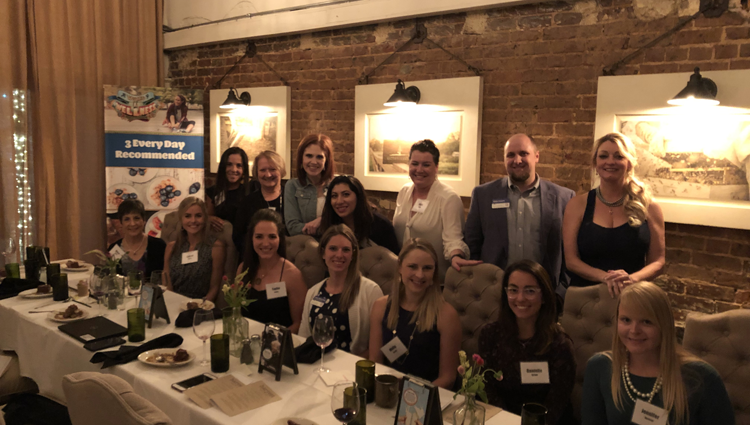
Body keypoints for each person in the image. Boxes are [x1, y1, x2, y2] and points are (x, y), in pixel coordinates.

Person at [581, 282, 734, 425]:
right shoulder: (600, 367)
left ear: (664, 325)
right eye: (626, 320)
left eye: (646, 321)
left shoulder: (702, 376)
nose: (634, 330)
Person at [458, 134, 575, 299]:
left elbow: (569, 253)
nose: (517, 160)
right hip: (494, 293)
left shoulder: (564, 197)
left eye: (523, 153)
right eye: (510, 155)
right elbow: (472, 245)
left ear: (536, 156)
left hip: (545, 295)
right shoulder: (483, 195)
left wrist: (560, 293)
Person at [563, 132, 666, 297]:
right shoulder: (577, 205)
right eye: (603, 156)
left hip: (631, 297)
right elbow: (571, 261)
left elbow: (658, 262)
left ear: (629, 163)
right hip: (584, 300)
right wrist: (606, 277)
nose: (610, 161)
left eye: (619, 156)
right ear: (595, 164)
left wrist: (631, 280)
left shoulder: (649, 207)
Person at [478, 260, 577, 425]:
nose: (520, 298)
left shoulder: (560, 345)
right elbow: (488, 390)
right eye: (513, 290)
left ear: (544, 296)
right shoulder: (490, 335)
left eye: (530, 291)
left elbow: (556, 404)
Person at [368, 238, 461, 389]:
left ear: (434, 272)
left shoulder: (446, 315)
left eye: (427, 268)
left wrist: (410, 398)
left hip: (426, 398)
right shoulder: (380, 307)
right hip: (387, 393)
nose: (419, 275)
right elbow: (375, 362)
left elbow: (448, 378)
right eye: (412, 266)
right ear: (399, 267)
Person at [298, 224, 383, 355]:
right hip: (316, 365)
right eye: (333, 248)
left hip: (351, 369)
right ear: (322, 253)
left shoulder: (371, 291)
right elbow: (303, 337)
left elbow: (378, 346)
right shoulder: (313, 292)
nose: (339, 255)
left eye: (346, 250)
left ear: (353, 254)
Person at [392, 139, 469, 282]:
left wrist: (456, 256)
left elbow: (453, 239)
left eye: (426, 165)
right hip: (405, 279)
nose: (419, 170)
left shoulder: (448, 198)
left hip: (435, 282)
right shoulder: (404, 191)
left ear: (436, 167)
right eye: (414, 164)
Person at [236, 210, 306, 333]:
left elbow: (299, 323)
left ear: (280, 239)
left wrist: (273, 342)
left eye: (272, 236)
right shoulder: (243, 269)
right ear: (251, 239)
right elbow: (236, 313)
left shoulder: (292, 275)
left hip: (278, 345)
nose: (265, 243)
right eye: (259, 237)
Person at [164, 197, 226, 301]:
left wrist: (200, 307)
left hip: (201, 306)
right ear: (181, 219)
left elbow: (214, 287)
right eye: (188, 216)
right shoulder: (171, 247)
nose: (193, 221)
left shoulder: (216, 247)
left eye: (198, 216)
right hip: (173, 303)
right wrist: (171, 304)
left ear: (205, 218)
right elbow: (166, 281)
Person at [320, 175, 400, 255]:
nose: (339, 201)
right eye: (334, 196)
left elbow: (394, 262)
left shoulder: (380, 225)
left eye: (346, 194)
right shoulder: (329, 223)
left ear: (358, 196)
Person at [233, 150, 287, 256]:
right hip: (255, 258)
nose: (268, 174)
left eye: (273, 169)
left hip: (287, 257)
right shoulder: (247, 202)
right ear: (256, 173)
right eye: (263, 170)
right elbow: (238, 237)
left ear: (281, 171)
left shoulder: (291, 198)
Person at [285, 134, 336, 236]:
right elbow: (293, 227)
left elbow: (345, 222)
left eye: (319, 157)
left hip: (334, 246)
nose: (313, 162)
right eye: (309, 156)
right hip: (304, 248)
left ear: (326, 160)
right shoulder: (292, 186)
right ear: (301, 158)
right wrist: (326, 226)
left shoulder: (336, 185)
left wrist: (322, 220)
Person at [107, 200, 166, 278]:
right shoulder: (114, 249)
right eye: (127, 219)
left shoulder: (159, 246)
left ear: (144, 220)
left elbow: (165, 277)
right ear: (121, 223)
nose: (132, 223)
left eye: (136, 218)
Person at [206, 147, 251, 232]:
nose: (234, 169)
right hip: (220, 240)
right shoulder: (213, 192)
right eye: (229, 164)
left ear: (244, 169)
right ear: (223, 167)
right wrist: (209, 219)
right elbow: (208, 217)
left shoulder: (250, 191)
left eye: (239, 165)